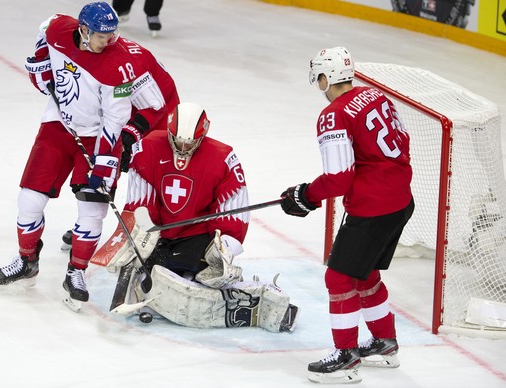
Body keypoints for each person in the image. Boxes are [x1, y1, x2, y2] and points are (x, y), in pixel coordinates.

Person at [0, 2, 150, 311]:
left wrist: (104, 164)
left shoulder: (118, 66)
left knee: (92, 211)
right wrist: (40, 66)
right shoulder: (59, 28)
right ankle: (27, 261)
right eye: (102, 36)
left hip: (98, 136)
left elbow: (115, 121)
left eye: (112, 34)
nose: (109, 41)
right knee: (28, 200)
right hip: (57, 126)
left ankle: (76, 271)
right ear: (84, 30)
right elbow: (45, 31)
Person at [279, 47, 414, 384]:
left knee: (338, 278)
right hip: (400, 200)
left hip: (373, 207)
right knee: (363, 274)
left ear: (325, 77)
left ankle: (346, 358)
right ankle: (385, 345)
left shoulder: (333, 115)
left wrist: (306, 195)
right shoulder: (374, 95)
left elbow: (340, 177)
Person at [106, 102, 299, 332]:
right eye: (177, 140)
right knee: (148, 273)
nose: (182, 147)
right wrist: (142, 234)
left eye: (189, 143)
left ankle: (249, 292)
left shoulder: (224, 158)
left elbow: (233, 211)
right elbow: (141, 202)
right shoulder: (147, 148)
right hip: (160, 234)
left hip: (197, 236)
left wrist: (223, 249)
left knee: (193, 276)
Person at [59, 34, 180, 251]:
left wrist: (130, 134)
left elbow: (157, 105)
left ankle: (159, 230)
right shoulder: (97, 50)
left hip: (159, 117)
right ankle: (89, 222)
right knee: (108, 163)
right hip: (125, 111)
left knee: (149, 173)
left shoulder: (132, 62)